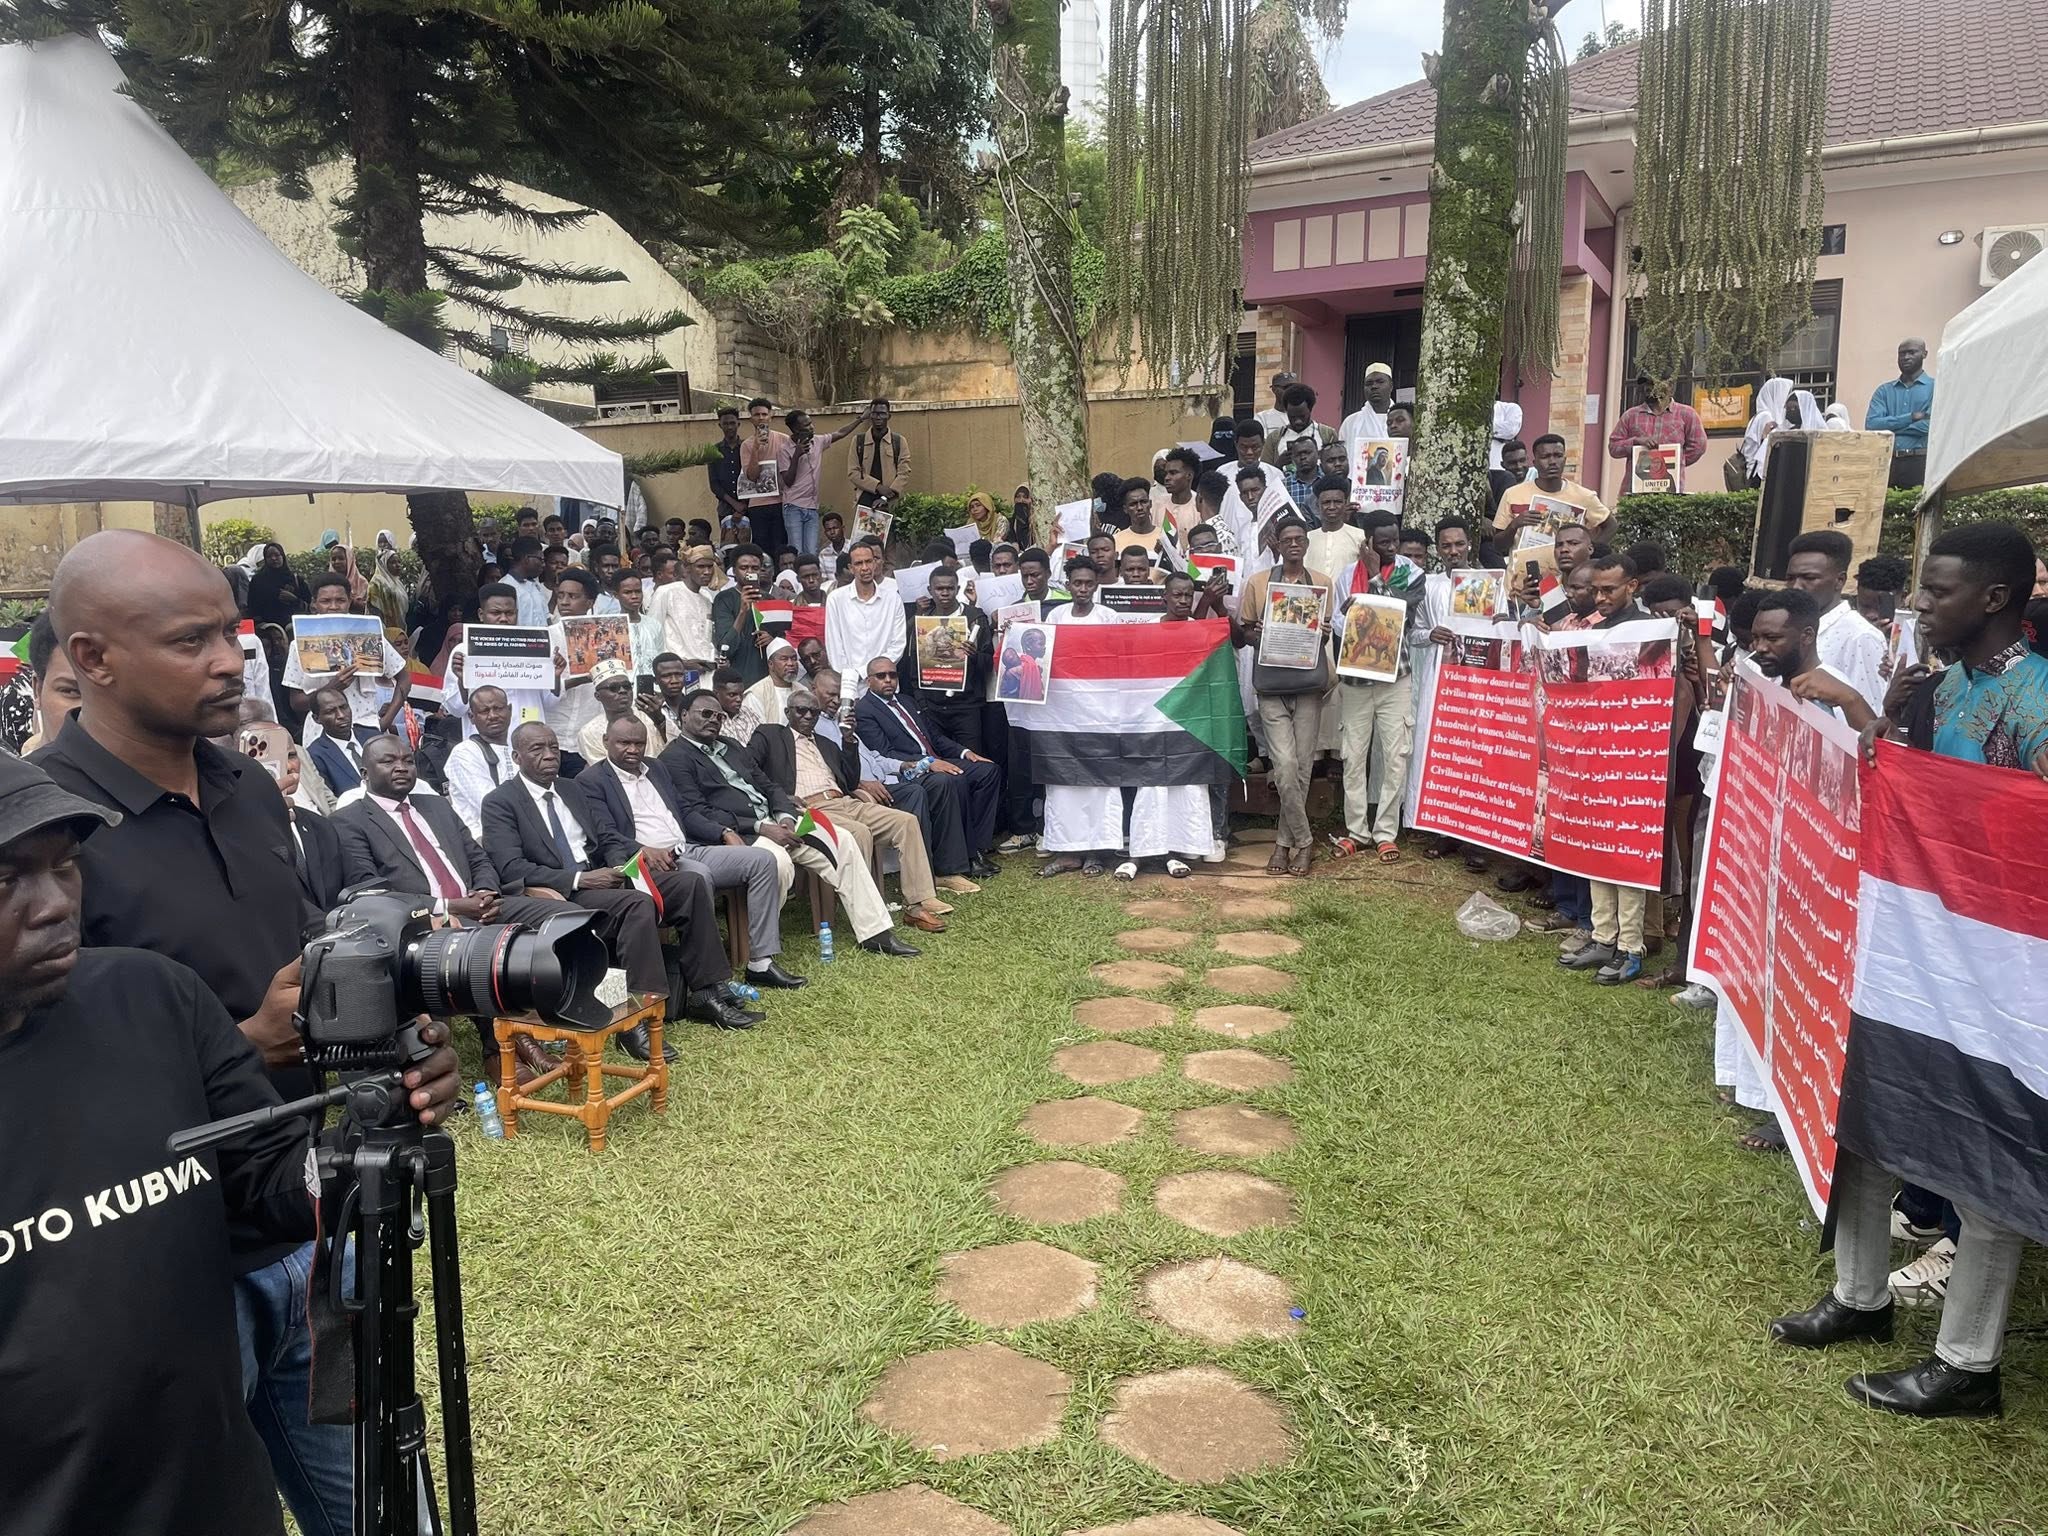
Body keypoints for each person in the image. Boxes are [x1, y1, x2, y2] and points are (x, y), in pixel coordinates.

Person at [29, 529, 467, 1535]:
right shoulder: (43, 846)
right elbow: (45, 1101)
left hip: (317, 1227)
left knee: (382, 1512)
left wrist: (392, 1038)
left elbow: (316, 970)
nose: (231, 659)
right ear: (92, 658)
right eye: (191, 642)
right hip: (164, 1277)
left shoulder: (251, 792)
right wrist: (247, 1042)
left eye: (230, 633)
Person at [1770, 522, 2048, 1419]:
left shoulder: (2041, 703)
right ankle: (1860, 1298)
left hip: (2002, 967)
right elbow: (1904, 794)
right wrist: (1868, 719)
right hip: (1918, 945)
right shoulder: (1935, 688)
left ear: (1996, 598)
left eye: (1940, 591)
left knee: (1986, 1155)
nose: (1922, 604)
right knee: (1868, 1112)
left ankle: (1968, 1363)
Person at [480, 721, 757, 1048]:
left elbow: (607, 836)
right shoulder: (500, 802)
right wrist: (579, 878)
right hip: (565, 891)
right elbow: (512, 867)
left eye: (553, 747)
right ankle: (637, 1020)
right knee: (637, 905)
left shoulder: (571, 789)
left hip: (605, 877)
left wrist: (623, 861)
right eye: (537, 749)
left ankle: (707, 991)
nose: (549, 756)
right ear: (516, 756)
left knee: (690, 884)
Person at [332, 734, 570, 1073]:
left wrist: (485, 891)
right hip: (420, 924)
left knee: (565, 918)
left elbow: (478, 857)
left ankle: (557, 1018)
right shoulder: (349, 820)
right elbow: (373, 891)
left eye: (408, 760)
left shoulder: (436, 806)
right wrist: (449, 907)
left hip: (481, 904)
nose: (401, 767)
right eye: (389, 761)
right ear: (364, 771)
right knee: (479, 946)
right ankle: (503, 1049)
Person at [658, 689, 920, 957]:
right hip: (742, 833)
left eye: (718, 715)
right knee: (777, 863)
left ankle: (875, 932)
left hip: (780, 822)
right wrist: (762, 827)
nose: (714, 719)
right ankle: (757, 947)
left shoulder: (732, 747)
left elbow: (769, 786)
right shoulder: (674, 758)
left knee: (841, 840)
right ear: (683, 715)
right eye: (705, 714)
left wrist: (784, 816)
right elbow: (695, 812)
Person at [578, 714, 805, 991]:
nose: (633, 750)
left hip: (688, 849)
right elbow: (604, 833)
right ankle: (706, 972)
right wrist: (644, 850)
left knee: (762, 860)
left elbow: (685, 811)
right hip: (647, 863)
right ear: (606, 742)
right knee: (699, 876)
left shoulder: (656, 768)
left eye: (639, 743)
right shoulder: (591, 780)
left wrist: (722, 831)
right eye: (624, 743)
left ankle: (760, 962)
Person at [747, 687, 949, 931]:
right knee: (859, 832)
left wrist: (849, 740)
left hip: (844, 801)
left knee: (905, 822)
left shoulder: (826, 743)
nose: (808, 716)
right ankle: (869, 913)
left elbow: (850, 781)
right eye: (802, 711)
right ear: (788, 712)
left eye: (814, 712)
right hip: (807, 810)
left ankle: (917, 904)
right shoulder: (771, 735)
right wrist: (781, 797)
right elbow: (749, 769)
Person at [1556, 555, 1656, 984]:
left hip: (1635, 762)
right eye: (1596, 590)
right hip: (1593, 755)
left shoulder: (1654, 633)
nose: (1600, 597)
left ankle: (1630, 946)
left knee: (1626, 855)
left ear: (1631, 585)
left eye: (1609, 590)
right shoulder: (1592, 629)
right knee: (1594, 844)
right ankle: (1602, 936)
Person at [1235, 516, 1333, 876]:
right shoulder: (1259, 583)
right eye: (1287, 539)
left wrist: (1323, 632)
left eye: (1299, 539)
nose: (1293, 544)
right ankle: (1304, 841)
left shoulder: (1321, 584)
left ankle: (1282, 843)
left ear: (1306, 544)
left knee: (1303, 768)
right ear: (1276, 543)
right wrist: (1257, 631)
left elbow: (1322, 637)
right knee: (1286, 766)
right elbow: (1244, 633)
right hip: (1272, 686)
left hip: (1307, 685)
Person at [1027, 558, 1136, 877]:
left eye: (1089, 583)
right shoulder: (1056, 617)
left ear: (1097, 585)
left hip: (1100, 715)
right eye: (1078, 583)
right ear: (1069, 584)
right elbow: (1038, 658)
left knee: (1099, 784)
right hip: (1061, 715)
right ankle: (1068, 852)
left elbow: (1122, 663)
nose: (1084, 589)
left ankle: (1096, 851)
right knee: (1062, 785)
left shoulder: (1109, 617)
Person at [1329, 512, 1426, 862]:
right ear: (1366, 541)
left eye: (1394, 540)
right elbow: (1340, 621)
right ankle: (1357, 831)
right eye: (1382, 541)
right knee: (1353, 757)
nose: (1390, 547)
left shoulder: (1411, 573)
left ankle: (1386, 832)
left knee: (1395, 756)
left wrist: (1371, 578)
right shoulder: (1345, 574)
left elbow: (1397, 612)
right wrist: (1357, 613)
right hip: (1356, 679)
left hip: (1395, 678)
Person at [855, 654, 1003, 878]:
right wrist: (929, 764)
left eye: (892, 675)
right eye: (881, 676)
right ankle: (968, 857)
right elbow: (886, 753)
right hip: (910, 769)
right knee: (954, 780)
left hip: (936, 759)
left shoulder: (906, 701)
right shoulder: (865, 710)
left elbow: (934, 736)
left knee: (988, 772)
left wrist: (966, 752)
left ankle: (977, 848)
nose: (888, 680)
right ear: (869, 681)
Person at [281, 571, 410, 736]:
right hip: (321, 733)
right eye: (326, 601)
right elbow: (296, 702)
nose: (334, 606)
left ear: (349, 601)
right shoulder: (300, 643)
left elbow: (404, 678)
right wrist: (331, 688)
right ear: (314, 604)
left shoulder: (369, 636)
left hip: (366, 725)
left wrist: (386, 720)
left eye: (340, 600)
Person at [440, 581, 565, 741]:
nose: (503, 619)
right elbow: (455, 710)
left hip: (528, 740)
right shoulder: (463, 652)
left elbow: (550, 703)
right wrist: (462, 681)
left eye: (509, 613)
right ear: (481, 614)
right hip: (485, 743)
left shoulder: (536, 647)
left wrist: (554, 677)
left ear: (517, 613)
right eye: (496, 613)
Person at [1785, 530, 1889, 715]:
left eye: (1809, 578)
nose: (1796, 586)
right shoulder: (1792, 626)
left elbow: (1871, 720)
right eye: (1790, 578)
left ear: (1839, 581)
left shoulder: (1861, 636)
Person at [904, 565, 993, 752]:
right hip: (932, 708)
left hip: (966, 707)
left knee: (974, 759)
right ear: (930, 590)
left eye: (950, 588)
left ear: (957, 589)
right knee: (940, 761)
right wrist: (923, 704)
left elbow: (989, 664)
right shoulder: (923, 622)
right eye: (939, 589)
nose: (945, 593)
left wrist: (974, 655)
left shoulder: (974, 618)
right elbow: (914, 667)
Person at [1494, 432, 1613, 553]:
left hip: (1567, 571)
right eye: (1545, 457)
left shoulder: (1584, 496)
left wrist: (1590, 551)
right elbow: (1498, 545)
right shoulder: (1513, 494)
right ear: (1534, 463)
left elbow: (1611, 525)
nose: (1552, 462)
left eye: (1558, 455)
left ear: (1565, 460)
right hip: (1523, 570)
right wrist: (1514, 525)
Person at [777, 405, 866, 556]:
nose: (812, 427)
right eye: (806, 425)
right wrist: (797, 455)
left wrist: (861, 419)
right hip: (793, 507)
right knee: (797, 551)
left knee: (811, 552)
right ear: (795, 430)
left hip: (812, 507)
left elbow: (840, 433)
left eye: (811, 423)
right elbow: (788, 481)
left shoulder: (817, 441)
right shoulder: (784, 449)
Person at [541, 568, 605, 772]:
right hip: (553, 734)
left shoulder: (606, 636)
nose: (565, 602)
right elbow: (540, 689)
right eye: (561, 595)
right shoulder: (546, 638)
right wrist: (578, 679)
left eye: (573, 596)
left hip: (587, 734)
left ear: (590, 602)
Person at [825, 541, 907, 699]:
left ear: (876, 563)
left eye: (869, 561)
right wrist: (851, 679)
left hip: (885, 684)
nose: (865, 568)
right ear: (851, 568)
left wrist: (866, 672)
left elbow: (897, 645)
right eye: (858, 563)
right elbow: (834, 647)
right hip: (851, 688)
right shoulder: (836, 599)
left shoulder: (893, 599)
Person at [442, 683, 520, 837]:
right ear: (472, 717)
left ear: (509, 711)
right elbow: (491, 805)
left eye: (498, 708)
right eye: (484, 711)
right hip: (485, 839)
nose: (493, 716)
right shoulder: (465, 753)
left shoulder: (519, 748)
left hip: (524, 833)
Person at [1607, 375, 1708, 480]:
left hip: (1670, 489)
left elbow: (1698, 446)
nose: (1648, 388)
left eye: (1654, 384)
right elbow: (1613, 447)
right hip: (1634, 488)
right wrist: (1636, 441)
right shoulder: (1631, 415)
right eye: (1647, 384)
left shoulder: (1687, 414)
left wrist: (1677, 462)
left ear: (1670, 386)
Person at [1865, 337, 1935, 489]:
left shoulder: (1936, 388)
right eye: (1902, 354)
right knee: (1884, 509)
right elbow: (1872, 425)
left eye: (1912, 352)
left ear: (1924, 354)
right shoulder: (1884, 391)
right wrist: (1911, 417)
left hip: (1921, 461)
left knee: (1917, 510)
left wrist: (1891, 429)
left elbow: (1931, 426)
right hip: (1887, 461)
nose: (1906, 357)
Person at [1738, 377, 1830, 484]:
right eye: (1789, 407)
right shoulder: (1767, 418)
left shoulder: (1764, 418)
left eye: (1795, 408)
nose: (1790, 411)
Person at [709, 544, 776, 688]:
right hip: (737, 680)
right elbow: (725, 647)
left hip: (766, 679)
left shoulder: (770, 600)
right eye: (744, 568)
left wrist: (772, 640)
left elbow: (782, 642)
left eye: (755, 568)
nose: (749, 572)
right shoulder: (724, 599)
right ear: (734, 571)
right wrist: (742, 612)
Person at [647, 544, 720, 674]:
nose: (707, 572)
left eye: (710, 566)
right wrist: (679, 664)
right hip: (676, 671)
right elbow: (652, 633)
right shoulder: (666, 592)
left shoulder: (707, 596)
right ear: (687, 568)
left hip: (707, 669)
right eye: (700, 566)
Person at [576, 658, 663, 764]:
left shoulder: (649, 714)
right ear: (597, 696)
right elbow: (603, 769)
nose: (622, 691)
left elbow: (672, 746)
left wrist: (659, 720)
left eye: (626, 686)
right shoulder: (589, 732)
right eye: (614, 688)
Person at [303, 685, 374, 798]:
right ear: (317, 719)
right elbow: (328, 799)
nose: (341, 715)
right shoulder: (315, 755)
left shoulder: (372, 736)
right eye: (330, 711)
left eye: (344, 707)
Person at [848, 397, 910, 514]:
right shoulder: (858, 441)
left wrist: (885, 496)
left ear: (889, 416)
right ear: (870, 416)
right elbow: (853, 473)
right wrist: (878, 486)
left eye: (882, 414)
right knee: (865, 533)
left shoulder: (899, 441)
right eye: (875, 413)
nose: (878, 417)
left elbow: (904, 473)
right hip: (865, 499)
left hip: (889, 499)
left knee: (889, 532)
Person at [1306, 472, 1365, 579]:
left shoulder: (1360, 537)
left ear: (1346, 502)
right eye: (1326, 502)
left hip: (1348, 595)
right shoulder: (1307, 538)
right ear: (1317, 504)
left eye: (1337, 502)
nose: (1332, 507)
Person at [1264, 382, 1338, 465]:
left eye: (1302, 416)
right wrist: (1278, 465)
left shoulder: (1328, 435)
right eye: (1292, 417)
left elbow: (1336, 467)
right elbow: (1264, 472)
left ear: (1310, 410)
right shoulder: (1274, 439)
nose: (1297, 421)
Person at [1338, 361, 1396, 458]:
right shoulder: (1351, 422)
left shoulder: (1403, 421)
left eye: (1380, 382)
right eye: (1369, 383)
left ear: (1391, 386)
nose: (1374, 386)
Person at [245, 541, 308, 628]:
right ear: (265, 559)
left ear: (282, 556)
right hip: (268, 630)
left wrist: (294, 600)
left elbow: (309, 606)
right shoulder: (258, 581)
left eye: (277, 555)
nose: (274, 558)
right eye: (269, 556)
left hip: (294, 627)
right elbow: (252, 609)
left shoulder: (295, 579)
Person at [746, 637, 803, 728]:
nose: (791, 663)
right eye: (784, 659)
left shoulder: (803, 690)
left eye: (794, 658)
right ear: (770, 664)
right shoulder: (756, 694)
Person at [1854, 555, 1912, 633]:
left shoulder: (1913, 635)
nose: (1871, 615)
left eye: (1881, 607)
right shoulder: (1846, 632)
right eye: (1865, 606)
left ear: (1903, 598)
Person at [1254, 370, 1298, 436]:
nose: (1291, 391)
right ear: (1274, 389)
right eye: (1286, 388)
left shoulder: (1302, 418)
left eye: (1294, 388)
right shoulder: (1262, 418)